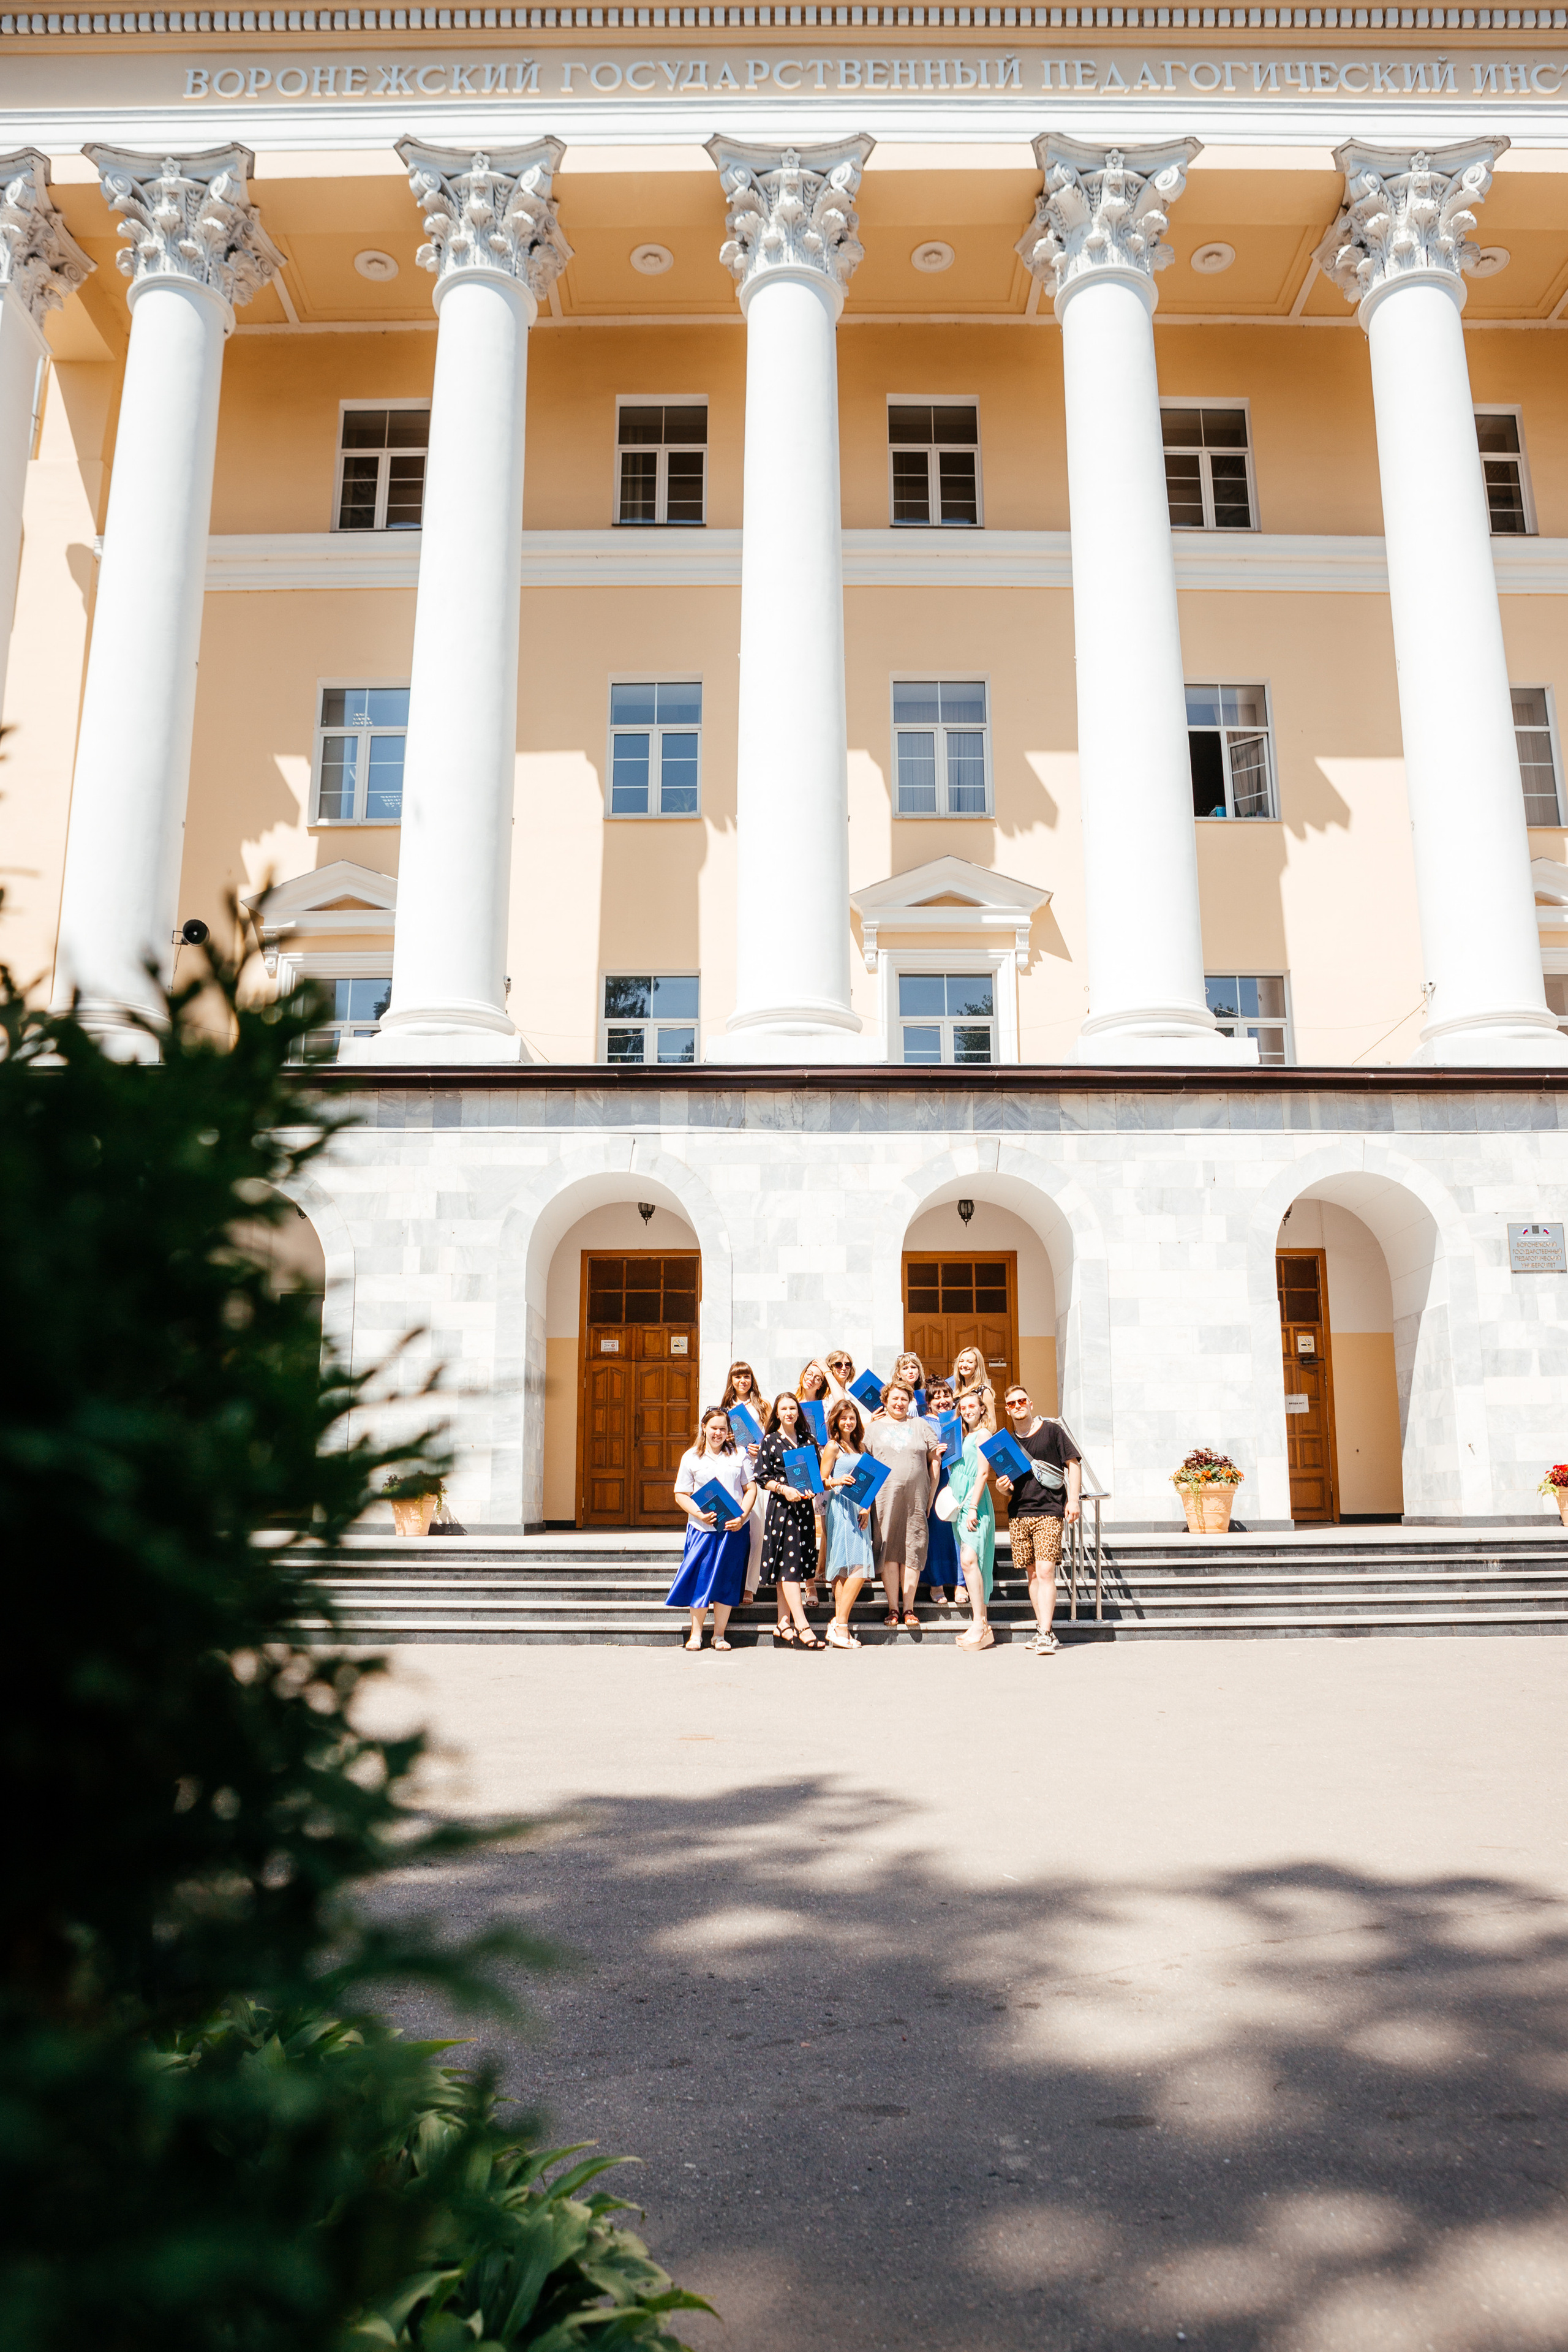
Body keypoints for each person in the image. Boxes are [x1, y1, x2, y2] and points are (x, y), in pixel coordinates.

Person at [992, 1382, 1082, 1657]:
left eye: (1022, 1401)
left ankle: (1044, 1633)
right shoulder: (1004, 1441)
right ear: (1007, 1410)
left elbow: (1073, 1464)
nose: (1018, 1406)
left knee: (1045, 1572)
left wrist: (1074, 1499)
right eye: (1012, 1404)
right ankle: (1044, 1629)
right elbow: (1005, 1485)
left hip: (1050, 1510)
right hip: (1019, 1513)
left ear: (1030, 1404)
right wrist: (1000, 1487)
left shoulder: (1053, 1431)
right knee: (1032, 1575)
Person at [667, 1406, 758, 1653]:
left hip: (733, 1529)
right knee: (700, 1580)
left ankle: (719, 1635)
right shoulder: (691, 1457)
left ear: (729, 1431)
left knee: (726, 1581)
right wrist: (699, 1514)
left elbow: (751, 1489)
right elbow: (681, 1494)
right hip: (702, 1529)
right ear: (704, 1428)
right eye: (714, 1428)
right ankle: (696, 1635)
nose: (718, 1433)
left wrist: (743, 1515)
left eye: (723, 1429)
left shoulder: (739, 1455)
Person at [865, 1378, 943, 1629]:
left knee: (913, 1547)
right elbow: (865, 1464)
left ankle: (909, 1608)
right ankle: (893, 1609)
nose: (899, 1403)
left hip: (917, 1498)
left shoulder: (920, 1424)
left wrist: (931, 1495)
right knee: (888, 1549)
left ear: (910, 1402)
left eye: (904, 1399)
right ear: (885, 1401)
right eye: (894, 1399)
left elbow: (935, 1460)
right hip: (884, 1498)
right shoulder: (873, 1428)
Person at [758, 1392, 823, 1649]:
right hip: (782, 1509)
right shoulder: (770, 1440)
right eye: (784, 1409)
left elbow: (816, 1475)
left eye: (793, 1408)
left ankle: (782, 1623)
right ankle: (802, 1624)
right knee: (790, 1566)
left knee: (792, 1564)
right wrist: (784, 1489)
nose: (789, 1413)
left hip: (805, 1510)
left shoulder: (808, 1440)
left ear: (799, 1412)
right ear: (777, 1413)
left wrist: (812, 1488)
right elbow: (762, 1477)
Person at [820, 1396, 874, 1651]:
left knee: (852, 1565)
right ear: (836, 1421)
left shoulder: (861, 1447)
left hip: (860, 1509)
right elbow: (821, 1481)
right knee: (853, 1565)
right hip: (841, 1507)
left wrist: (868, 1506)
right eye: (843, 1418)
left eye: (852, 1418)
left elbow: (870, 1482)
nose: (848, 1422)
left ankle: (840, 1626)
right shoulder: (833, 1447)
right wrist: (838, 1480)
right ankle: (841, 1625)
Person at [948, 1388, 997, 1651]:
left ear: (981, 1409)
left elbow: (982, 1474)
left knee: (970, 1559)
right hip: (959, 1503)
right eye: (963, 1407)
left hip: (974, 1503)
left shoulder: (983, 1434)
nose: (967, 1411)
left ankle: (980, 1622)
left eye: (972, 1407)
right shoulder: (961, 1436)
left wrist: (974, 1507)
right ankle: (982, 1624)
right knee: (970, 1562)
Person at [722, 1359, 766, 1600]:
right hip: (731, 1474)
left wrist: (761, 1448)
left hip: (756, 1475)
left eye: (746, 1376)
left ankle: (750, 1585)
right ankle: (731, 1582)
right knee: (732, 1531)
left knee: (756, 1532)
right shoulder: (723, 1408)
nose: (743, 1381)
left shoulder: (762, 1407)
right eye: (738, 1377)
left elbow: (770, 1438)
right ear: (732, 1381)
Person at [919, 1374, 963, 1611]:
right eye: (937, 1397)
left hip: (959, 1480)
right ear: (929, 1402)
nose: (943, 1400)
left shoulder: (960, 1418)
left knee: (959, 1532)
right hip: (936, 1482)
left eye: (946, 1395)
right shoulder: (923, 1422)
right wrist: (934, 1452)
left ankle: (960, 1582)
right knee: (937, 1533)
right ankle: (936, 1584)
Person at [796, 1358, 835, 1608]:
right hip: (799, 1464)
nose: (813, 1378)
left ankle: (823, 1571)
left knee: (823, 1522)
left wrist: (827, 1370)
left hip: (822, 1463)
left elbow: (841, 1394)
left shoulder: (826, 1405)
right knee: (802, 1524)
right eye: (809, 1374)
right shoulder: (790, 1401)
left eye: (817, 1377)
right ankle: (807, 1582)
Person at [951, 1344, 998, 1435]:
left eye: (970, 1362)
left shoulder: (984, 1391)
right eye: (961, 1361)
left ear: (977, 1366)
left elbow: (992, 1426)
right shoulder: (955, 1393)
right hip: (958, 1443)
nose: (964, 1365)